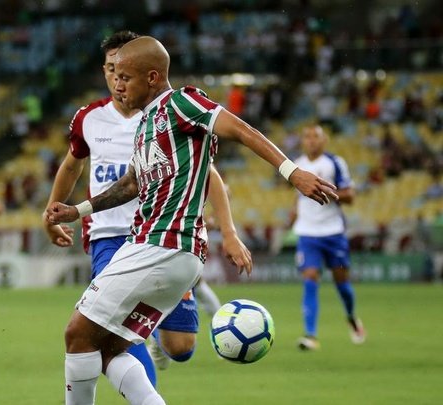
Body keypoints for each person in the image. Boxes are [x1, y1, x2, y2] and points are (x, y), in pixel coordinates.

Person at [46, 36, 338, 405]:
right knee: (106, 349)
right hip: (166, 252)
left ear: (152, 77)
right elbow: (132, 184)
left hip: (162, 245)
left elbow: (241, 130)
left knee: (77, 334)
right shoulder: (146, 123)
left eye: (126, 77)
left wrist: (292, 172)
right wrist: (77, 211)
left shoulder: (180, 102)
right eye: (114, 76)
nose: (117, 85)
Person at [42, 31, 250, 380]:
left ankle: (150, 334)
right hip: (109, 237)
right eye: (111, 69)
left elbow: (209, 174)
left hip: (163, 237)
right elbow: (72, 165)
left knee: (180, 347)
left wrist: (229, 232)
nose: (116, 78)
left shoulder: (163, 114)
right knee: (110, 334)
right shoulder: (89, 118)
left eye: (124, 71)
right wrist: (54, 210)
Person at [290, 125, 366, 351]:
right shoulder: (296, 165)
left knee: (342, 282)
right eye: (307, 136)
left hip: (333, 232)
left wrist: (326, 192)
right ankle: (310, 336)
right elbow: (298, 195)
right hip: (307, 233)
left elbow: (350, 195)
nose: (311, 141)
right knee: (310, 277)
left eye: (316, 137)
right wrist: (294, 212)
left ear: (325, 141)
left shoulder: (335, 163)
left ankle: (351, 316)